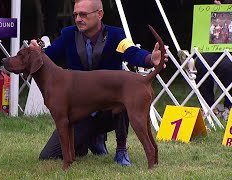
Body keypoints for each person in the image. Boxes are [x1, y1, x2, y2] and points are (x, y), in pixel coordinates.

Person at [30, 0, 167, 166]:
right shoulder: (69, 34)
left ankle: (121, 150)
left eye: (83, 14)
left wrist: (149, 59)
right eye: (75, 15)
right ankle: (94, 140)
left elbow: (131, 52)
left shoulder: (115, 35)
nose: (78, 19)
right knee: (49, 155)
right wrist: (37, 52)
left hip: (110, 110)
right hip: (82, 110)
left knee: (125, 96)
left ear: (99, 14)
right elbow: (49, 56)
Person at [195, 0, 232, 121]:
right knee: (201, 62)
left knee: (227, 65)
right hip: (215, 45)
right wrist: (219, 12)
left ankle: (229, 107)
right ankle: (209, 107)